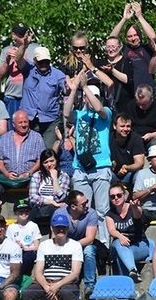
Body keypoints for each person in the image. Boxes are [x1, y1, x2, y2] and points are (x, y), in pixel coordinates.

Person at [64, 71, 113, 242]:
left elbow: (99, 108)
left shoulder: (106, 112)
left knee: (102, 210)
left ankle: (105, 245)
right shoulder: (79, 115)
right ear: (84, 98)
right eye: (90, 97)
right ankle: (86, 244)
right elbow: (66, 112)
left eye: (96, 96)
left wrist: (85, 86)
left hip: (100, 167)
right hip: (81, 168)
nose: (93, 99)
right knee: (82, 210)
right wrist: (74, 90)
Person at [16, 41, 66, 148]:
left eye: (46, 62)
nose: (44, 64)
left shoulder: (58, 75)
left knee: (48, 153)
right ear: (34, 60)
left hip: (50, 121)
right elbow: (18, 59)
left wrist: (72, 86)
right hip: (29, 119)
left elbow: (68, 90)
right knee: (27, 151)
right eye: (41, 62)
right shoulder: (28, 69)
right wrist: (24, 45)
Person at [22, 214, 82, 300]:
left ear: (68, 228)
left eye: (63, 227)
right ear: (52, 228)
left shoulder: (75, 245)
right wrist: (47, 287)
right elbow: (38, 272)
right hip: (46, 282)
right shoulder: (44, 245)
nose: (61, 230)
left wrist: (57, 286)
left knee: (66, 293)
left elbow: (75, 273)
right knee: (28, 293)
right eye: (57, 227)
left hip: (66, 283)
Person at [0, 110, 44, 203]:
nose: (23, 125)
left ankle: (36, 212)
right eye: (20, 122)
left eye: (25, 122)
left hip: (29, 178)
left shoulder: (36, 137)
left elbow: (40, 159)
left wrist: (29, 173)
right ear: (14, 124)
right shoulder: (5, 138)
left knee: (39, 182)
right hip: (8, 178)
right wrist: (6, 173)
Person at [51, 190, 98, 297]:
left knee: (89, 250)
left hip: (83, 244)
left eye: (87, 202)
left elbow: (90, 238)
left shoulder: (91, 213)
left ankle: (90, 286)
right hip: (64, 245)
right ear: (73, 206)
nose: (87, 205)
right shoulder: (59, 214)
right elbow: (55, 237)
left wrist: (72, 247)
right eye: (83, 204)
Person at [0, 23, 41, 122]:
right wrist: (7, 61)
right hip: (12, 97)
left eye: (24, 35)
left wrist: (24, 45)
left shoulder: (36, 48)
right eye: (19, 35)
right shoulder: (6, 50)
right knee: (12, 131)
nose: (22, 38)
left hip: (30, 97)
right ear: (13, 35)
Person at [105, 183, 149, 282]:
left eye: (119, 195)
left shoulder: (133, 207)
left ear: (124, 195)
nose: (116, 198)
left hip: (139, 245)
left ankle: (124, 288)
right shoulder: (110, 214)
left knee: (121, 255)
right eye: (112, 197)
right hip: (122, 246)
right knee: (118, 243)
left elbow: (138, 215)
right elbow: (112, 230)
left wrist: (135, 208)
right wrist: (120, 236)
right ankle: (132, 271)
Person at [110, 2, 156, 91]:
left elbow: (153, 37)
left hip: (147, 91)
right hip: (129, 93)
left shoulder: (147, 48)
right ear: (126, 38)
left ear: (140, 35)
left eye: (135, 35)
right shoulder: (123, 49)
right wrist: (124, 19)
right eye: (130, 36)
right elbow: (111, 40)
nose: (133, 38)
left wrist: (140, 16)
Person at [29, 149, 70, 222]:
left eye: (52, 161)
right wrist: (51, 202)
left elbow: (61, 198)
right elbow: (32, 197)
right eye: (46, 162)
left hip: (57, 209)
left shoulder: (64, 176)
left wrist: (54, 179)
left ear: (56, 160)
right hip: (40, 208)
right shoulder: (37, 176)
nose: (49, 164)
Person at [95, 36, 134, 113]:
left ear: (119, 47)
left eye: (113, 46)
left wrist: (112, 70)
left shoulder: (126, 62)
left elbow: (127, 79)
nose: (111, 49)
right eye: (108, 47)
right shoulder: (100, 63)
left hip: (123, 104)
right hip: (104, 104)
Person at [126, 84, 156, 149]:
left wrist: (152, 135)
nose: (141, 107)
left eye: (144, 104)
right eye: (139, 104)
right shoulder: (131, 106)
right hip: (134, 137)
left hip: (154, 137)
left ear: (151, 98)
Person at [109, 113, 144, 187]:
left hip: (130, 173)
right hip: (112, 173)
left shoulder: (136, 139)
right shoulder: (108, 138)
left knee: (140, 174)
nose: (125, 129)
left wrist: (127, 168)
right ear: (114, 126)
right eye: (122, 126)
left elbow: (139, 163)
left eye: (128, 126)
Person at [6, 199, 41, 276]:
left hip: (29, 252)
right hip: (15, 252)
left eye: (26, 211)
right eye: (21, 211)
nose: (24, 213)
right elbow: (8, 245)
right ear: (15, 213)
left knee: (27, 256)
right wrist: (17, 246)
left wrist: (25, 248)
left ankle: (23, 276)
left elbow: (36, 246)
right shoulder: (11, 227)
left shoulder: (33, 226)